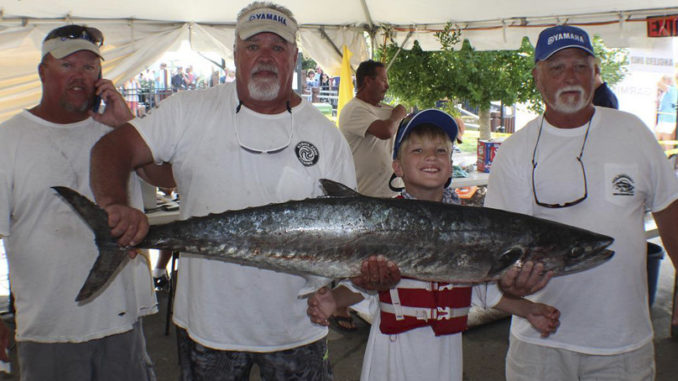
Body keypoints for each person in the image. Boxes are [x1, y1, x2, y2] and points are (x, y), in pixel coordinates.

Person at [87, 2, 402, 379]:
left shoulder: (325, 136)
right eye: (253, 46)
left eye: (278, 47)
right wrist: (114, 205)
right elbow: (112, 148)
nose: (265, 57)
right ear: (235, 53)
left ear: (295, 57)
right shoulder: (189, 110)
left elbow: (351, 235)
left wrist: (365, 275)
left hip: (298, 327)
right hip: (209, 328)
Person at [307, 109, 560, 381]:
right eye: (417, 150)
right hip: (392, 358)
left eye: (441, 151)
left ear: (450, 165)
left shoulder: (471, 228)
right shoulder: (382, 221)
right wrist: (333, 300)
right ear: (398, 167)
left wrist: (529, 309)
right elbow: (363, 286)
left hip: (444, 357)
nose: (430, 156)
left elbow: (483, 289)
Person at [485, 25, 678, 380]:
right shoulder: (514, 151)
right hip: (538, 342)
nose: (569, 77)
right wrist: (511, 286)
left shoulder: (633, 133)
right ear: (537, 76)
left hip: (621, 343)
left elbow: (671, 214)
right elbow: (499, 251)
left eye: (580, 66)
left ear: (595, 73)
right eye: (556, 67)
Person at [0, 24, 165, 380]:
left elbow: (168, 180)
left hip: (122, 324)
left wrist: (128, 124)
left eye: (89, 67)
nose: (79, 76)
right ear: (43, 70)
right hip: (48, 330)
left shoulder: (120, 132)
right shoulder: (8, 139)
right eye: (67, 65)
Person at [334, 59, 408, 330]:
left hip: (386, 193)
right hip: (361, 196)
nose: (387, 85)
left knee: (381, 255)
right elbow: (386, 129)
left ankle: (380, 301)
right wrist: (398, 112)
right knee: (355, 255)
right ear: (366, 81)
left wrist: (402, 115)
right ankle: (338, 304)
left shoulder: (381, 110)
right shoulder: (354, 110)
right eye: (383, 79)